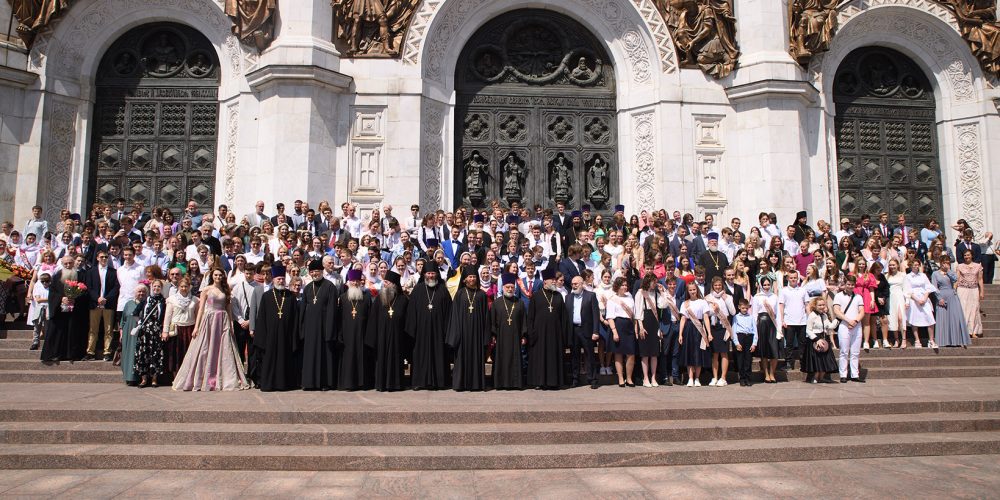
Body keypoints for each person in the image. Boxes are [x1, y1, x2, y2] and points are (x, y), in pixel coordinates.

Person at [172, 268, 249, 391]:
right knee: (205, 347)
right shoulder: (206, 289)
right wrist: (196, 327)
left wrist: (231, 323)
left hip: (223, 320)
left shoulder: (226, 289)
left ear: (223, 277)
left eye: (220, 275)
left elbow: (228, 308)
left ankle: (224, 378)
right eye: (216, 275)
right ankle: (204, 378)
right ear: (212, 276)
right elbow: (201, 309)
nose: (218, 277)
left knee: (224, 348)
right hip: (209, 320)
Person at [406, 267, 452, 390]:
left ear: (437, 274)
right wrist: (413, 330)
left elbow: (449, 312)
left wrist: (446, 330)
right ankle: (419, 382)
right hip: (421, 332)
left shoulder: (443, 290)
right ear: (424, 274)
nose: (430, 275)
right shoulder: (418, 290)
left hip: (439, 332)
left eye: (433, 273)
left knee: (439, 355)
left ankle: (440, 382)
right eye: (428, 273)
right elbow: (411, 312)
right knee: (420, 355)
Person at [447, 266, 490, 391]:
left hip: (477, 334)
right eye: (470, 277)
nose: (472, 279)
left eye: (474, 277)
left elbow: (486, 317)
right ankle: (460, 384)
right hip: (462, 334)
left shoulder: (482, 295)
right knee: (461, 358)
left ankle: (476, 384)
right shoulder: (460, 294)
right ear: (465, 279)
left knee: (476, 358)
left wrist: (485, 336)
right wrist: (455, 335)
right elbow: (454, 316)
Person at [526, 268, 570, 389]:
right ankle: (539, 382)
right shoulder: (536, 296)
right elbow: (530, 317)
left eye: (555, 279)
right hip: (539, 334)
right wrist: (531, 333)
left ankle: (554, 382)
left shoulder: (558, 296)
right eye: (552, 279)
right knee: (540, 358)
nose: (555, 281)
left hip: (555, 334)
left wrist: (563, 334)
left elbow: (564, 317)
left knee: (553, 357)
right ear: (545, 281)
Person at [300, 260, 339, 391]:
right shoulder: (307, 288)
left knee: (324, 356)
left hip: (324, 328)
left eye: (316, 271)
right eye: (312, 271)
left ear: (322, 271)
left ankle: (324, 383)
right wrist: (303, 329)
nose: (314, 273)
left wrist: (330, 330)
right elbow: (303, 310)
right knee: (310, 355)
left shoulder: (330, 287)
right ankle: (309, 383)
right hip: (310, 329)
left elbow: (333, 310)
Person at [366, 270, 408, 391]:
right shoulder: (379, 299)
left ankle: (396, 384)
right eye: (384, 282)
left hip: (397, 337)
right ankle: (381, 384)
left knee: (396, 359)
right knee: (382, 359)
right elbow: (373, 320)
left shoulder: (403, 300)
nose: (384, 284)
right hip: (381, 337)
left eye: (387, 282)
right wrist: (373, 339)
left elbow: (407, 320)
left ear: (394, 285)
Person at [490, 272, 526, 390]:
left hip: (516, 336)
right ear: (503, 287)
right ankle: (501, 383)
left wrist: (523, 335)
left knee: (515, 359)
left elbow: (524, 321)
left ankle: (515, 383)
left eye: (512, 287)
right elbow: (492, 320)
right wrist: (493, 335)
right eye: (507, 287)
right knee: (502, 359)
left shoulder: (519, 303)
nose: (510, 289)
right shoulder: (497, 303)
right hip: (501, 337)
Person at [84, 250, 119, 361]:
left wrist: (106, 299)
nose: (104, 259)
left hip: (108, 304)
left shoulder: (114, 272)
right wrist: (97, 298)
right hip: (95, 304)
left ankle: (107, 352)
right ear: (97, 258)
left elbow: (116, 287)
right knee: (93, 329)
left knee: (108, 330)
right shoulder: (91, 271)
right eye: (102, 257)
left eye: (106, 257)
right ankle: (90, 352)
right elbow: (89, 287)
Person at [635, 274, 669, 388]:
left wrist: (663, 292)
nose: (655, 284)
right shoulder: (641, 293)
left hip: (654, 323)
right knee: (645, 353)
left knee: (654, 353)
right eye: (654, 282)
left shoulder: (655, 293)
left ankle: (653, 377)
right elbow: (638, 311)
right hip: (645, 322)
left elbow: (663, 305)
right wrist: (640, 327)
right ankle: (645, 378)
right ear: (648, 281)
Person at [566, 275, 601, 389]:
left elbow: (595, 315)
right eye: (572, 284)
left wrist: (596, 331)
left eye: (576, 284)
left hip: (586, 330)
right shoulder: (568, 297)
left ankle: (593, 379)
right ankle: (575, 379)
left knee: (590, 355)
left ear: (582, 284)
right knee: (574, 356)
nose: (574, 286)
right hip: (573, 330)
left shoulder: (591, 296)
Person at [133, 280, 167, 388]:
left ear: (161, 288)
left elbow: (164, 316)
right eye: (154, 286)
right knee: (143, 353)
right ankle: (143, 379)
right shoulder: (146, 300)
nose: (156, 288)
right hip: (145, 331)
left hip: (156, 331)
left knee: (155, 354)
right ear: (151, 287)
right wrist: (140, 322)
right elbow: (135, 312)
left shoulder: (163, 301)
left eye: (158, 286)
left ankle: (154, 379)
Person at [162, 277, 198, 378]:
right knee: (176, 354)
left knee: (189, 354)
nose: (184, 288)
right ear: (178, 287)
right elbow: (168, 316)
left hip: (189, 328)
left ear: (189, 287)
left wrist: (197, 328)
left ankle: (188, 377)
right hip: (176, 329)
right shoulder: (172, 299)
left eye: (186, 286)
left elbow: (197, 315)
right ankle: (176, 377)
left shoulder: (195, 300)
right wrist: (165, 331)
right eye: (181, 286)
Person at [679, 280, 712, 386]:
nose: (692, 291)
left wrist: (709, 333)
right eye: (690, 290)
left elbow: (706, 318)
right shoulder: (685, 303)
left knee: (699, 353)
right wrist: (680, 334)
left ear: (697, 290)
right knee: (689, 353)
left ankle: (697, 378)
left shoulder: (702, 302)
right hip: (688, 328)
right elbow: (683, 319)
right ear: (687, 291)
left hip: (699, 328)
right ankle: (690, 378)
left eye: (694, 289)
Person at [833, 274, 865, 382]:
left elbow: (862, 311)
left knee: (855, 352)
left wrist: (855, 321)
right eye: (848, 284)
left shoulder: (858, 297)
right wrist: (848, 320)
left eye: (852, 284)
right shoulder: (839, 296)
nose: (850, 286)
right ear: (845, 284)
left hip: (856, 326)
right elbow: (836, 311)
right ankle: (843, 374)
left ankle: (855, 374)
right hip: (844, 325)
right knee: (844, 351)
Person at [932, 257, 970, 348]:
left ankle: (955, 340)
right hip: (942, 297)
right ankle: (943, 341)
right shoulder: (935, 273)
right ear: (941, 263)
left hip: (952, 296)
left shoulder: (951, 272)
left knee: (954, 318)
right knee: (942, 319)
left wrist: (948, 271)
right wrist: (939, 298)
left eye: (948, 263)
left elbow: (955, 279)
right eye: (944, 262)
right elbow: (934, 287)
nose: (946, 264)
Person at [605, 276, 637, 387]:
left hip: (629, 326)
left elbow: (633, 314)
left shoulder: (630, 297)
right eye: (622, 285)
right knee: (618, 353)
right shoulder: (612, 299)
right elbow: (610, 317)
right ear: (617, 286)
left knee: (631, 353)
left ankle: (629, 378)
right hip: (618, 325)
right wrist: (614, 332)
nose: (625, 287)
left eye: (626, 285)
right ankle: (620, 378)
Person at [705, 276, 735, 386]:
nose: (717, 287)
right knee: (714, 353)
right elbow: (707, 313)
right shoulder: (708, 298)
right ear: (712, 286)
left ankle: (723, 378)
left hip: (723, 327)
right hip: (713, 327)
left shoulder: (728, 297)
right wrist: (715, 310)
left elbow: (732, 312)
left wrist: (726, 300)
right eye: (715, 285)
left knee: (724, 353)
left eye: (719, 285)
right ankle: (715, 377)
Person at [803, 297, 838, 383]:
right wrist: (817, 339)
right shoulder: (812, 316)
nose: (822, 307)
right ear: (815, 306)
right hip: (815, 339)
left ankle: (821, 377)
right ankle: (815, 377)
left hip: (824, 338)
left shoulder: (824, 315)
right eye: (820, 305)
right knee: (817, 360)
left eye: (823, 305)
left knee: (825, 359)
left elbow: (830, 326)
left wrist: (837, 319)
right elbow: (808, 330)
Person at [118, 283, 146, 385]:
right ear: (135, 293)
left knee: (137, 354)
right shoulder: (128, 304)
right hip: (128, 333)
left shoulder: (147, 304)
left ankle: (137, 377)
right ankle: (128, 377)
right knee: (128, 354)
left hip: (140, 332)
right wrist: (121, 334)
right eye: (139, 291)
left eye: (143, 292)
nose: (141, 293)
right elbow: (123, 320)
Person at [904, 260, 936, 349]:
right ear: (911, 266)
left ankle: (931, 340)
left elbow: (928, 287)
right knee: (914, 319)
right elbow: (907, 290)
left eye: (918, 265)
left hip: (924, 298)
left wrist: (925, 298)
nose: (916, 266)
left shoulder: (923, 275)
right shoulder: (907, 277)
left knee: (930, 318)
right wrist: (917, 300)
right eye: (914, 265)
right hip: (914, 299)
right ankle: (917, 340)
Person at [955, 249, 984, 339]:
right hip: (962, 289)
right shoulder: (960, 266)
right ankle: (964, 331)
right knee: (963, 309)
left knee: (974, 309)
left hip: (974, 289)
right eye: (965, 255)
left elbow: (980, 279)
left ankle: (974, 331)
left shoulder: (978, 266)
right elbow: (957, 279)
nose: (966, 257)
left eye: (968, 255)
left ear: (972, 255)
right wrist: (954, 290)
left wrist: (982, 291)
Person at [731, 299, 757, 386]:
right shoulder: (736, 317)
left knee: (748, 359)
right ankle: (742, 378)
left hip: (749, 337)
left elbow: (755, 331)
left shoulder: (751, 317)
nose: (745, 310)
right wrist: (736, 343)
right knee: (740, 359)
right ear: (739, 307)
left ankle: (748, 378)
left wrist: (754, 343)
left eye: (746, 308)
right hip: (740, 337)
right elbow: (733, 331)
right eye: (743, 308)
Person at [27, 271, 51, 351]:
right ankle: (35, 342)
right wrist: (49, 299)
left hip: (48, 308)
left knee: (47, 327)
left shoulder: (51, 289)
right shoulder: (38, 288)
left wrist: (49, 299)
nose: (45, 283)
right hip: (39, 308)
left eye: (46, 281)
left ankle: (48, 344)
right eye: (42, 281)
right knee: (37, 326)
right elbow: (38, 299)